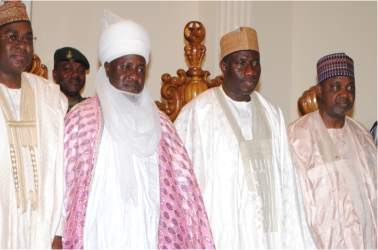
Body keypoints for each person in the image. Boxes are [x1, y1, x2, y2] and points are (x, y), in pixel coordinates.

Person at [62, 10, 214, 249]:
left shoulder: (162, 125)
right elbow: (63, 187)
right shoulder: (81, 120)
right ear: (108, 67)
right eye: (126, 67)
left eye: (140, 69)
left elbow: (185, 193)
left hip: (147, 231)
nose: (133, 76)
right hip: (99, 234)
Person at [174, 27, 315, 248]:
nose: (250, 70)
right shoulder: (198, 113)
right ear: (223, 67)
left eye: (255, 63)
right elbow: (180, 184)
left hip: (269, 239)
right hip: (222, 235)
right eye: (241, 63)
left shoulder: (272, 113)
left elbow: (288, 182)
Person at [0, 1, 67, 248]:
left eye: (28, 38)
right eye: (12, 37)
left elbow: (61, 170)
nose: (22, 45)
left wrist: (58, 231)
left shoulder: (51, 97)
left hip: (40, 231)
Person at [287, 53, 377, 249]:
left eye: (350, 87)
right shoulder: (297, 137)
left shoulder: (363, 136)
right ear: (319, 90)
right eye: (336, 87)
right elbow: (290, 206)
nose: (344, 94)